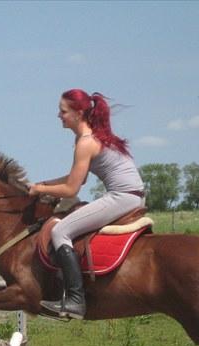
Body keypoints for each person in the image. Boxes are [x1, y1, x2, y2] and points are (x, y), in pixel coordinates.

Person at [28, 89, 145, 319]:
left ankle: (75, 300)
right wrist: (41, 184)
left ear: (78, 113)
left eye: (63, 111)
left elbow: (72, 189)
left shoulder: (85, 142)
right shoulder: (90, 138)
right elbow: (77, 178)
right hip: (130, 194)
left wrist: (41, 189)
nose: (59, 116)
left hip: (122, 196)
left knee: (61, 231)